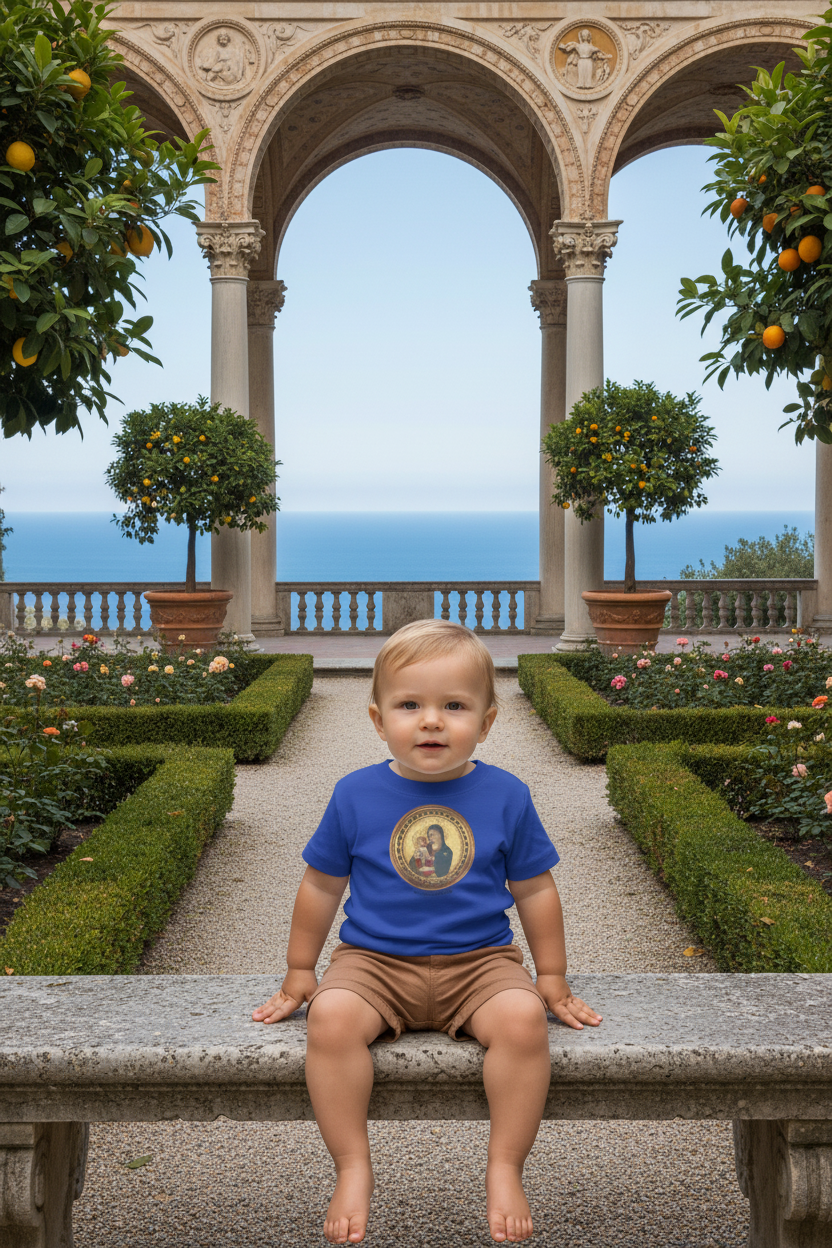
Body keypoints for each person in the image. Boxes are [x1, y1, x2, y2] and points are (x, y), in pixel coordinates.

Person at [252, 619, 601, 1245]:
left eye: (454, 706)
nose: (431, 721)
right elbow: (321, 886)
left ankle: (505, 1166)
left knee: (523, 1023)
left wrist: (550, 977)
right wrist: (302, 970)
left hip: (481, 964)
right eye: (409, 705)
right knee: (330, 1019)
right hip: (373, 963)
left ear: (487, 721)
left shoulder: (506, 795)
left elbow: (535, 890)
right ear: (378, 718)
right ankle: (353, 1165)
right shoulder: (355, 794)